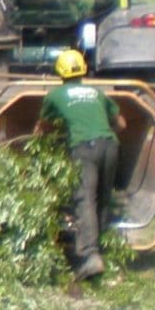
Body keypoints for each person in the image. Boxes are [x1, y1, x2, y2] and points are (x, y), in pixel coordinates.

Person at [36, 49, 126, 281]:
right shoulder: (97, 92)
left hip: (84, 148)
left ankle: (89, 256)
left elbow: (42, 128)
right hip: (110, 145)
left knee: (85, 198)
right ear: (83, 70)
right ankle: (102, 247)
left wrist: (40, 145)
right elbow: (122, 124)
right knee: (103, 196)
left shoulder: (55, 96)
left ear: (59, 72)